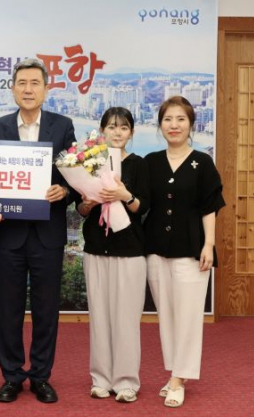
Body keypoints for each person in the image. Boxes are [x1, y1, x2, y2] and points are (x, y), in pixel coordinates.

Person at [0, 58, 75, 404]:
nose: (28, 89)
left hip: (47, 234)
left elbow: (76, 177)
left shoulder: (62, 126)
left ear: (46, 89)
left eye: (35, 83)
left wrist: (63, 191)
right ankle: (11, 376)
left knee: (46, 311)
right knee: (8, 310)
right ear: (12, 89)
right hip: (9, 233)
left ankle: (40, 376)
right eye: (21, 83)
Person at [144, 96, 225, 408]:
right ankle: (175, 372)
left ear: (191, 125)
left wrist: (209, 244)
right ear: (160, 125)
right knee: (166, 316)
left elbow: (209, 207)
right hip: (155, 250)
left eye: (181, 119)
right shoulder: (151, 162)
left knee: (189, 317)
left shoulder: (202, 162)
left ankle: (179, 379)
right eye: (168, 119)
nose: (174, 125)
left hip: (191, 250)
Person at [76, 107, 150, 403]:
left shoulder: (140, 165)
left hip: (130, 252)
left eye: (123, 127)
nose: (117, 132)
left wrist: (124, 195)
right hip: (96, 249)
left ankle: (127, 381)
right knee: (100, 318)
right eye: (111, 126)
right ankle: (101, 379)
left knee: (127, 320)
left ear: (131, 132)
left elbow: (144, 208)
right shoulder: (90, 162)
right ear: (101, 131)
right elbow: (81, 209)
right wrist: (88, 203)